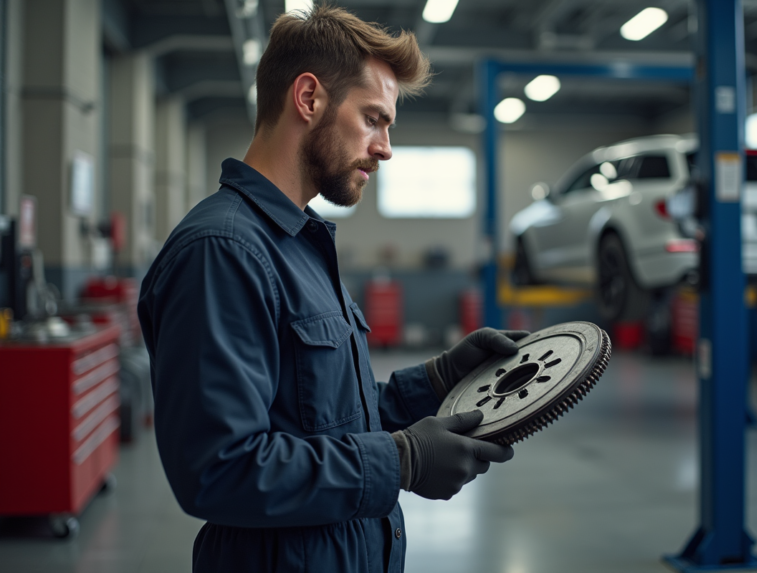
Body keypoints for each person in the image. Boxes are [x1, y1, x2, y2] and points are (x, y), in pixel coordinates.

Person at [137, 5, 526, 572]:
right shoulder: (223, 251)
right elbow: (218, 469)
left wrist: (437, 379)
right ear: (309, 98)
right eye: (374, 118)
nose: (386, 147)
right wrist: (401, 462)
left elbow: (324, 414)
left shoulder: (298, 242)